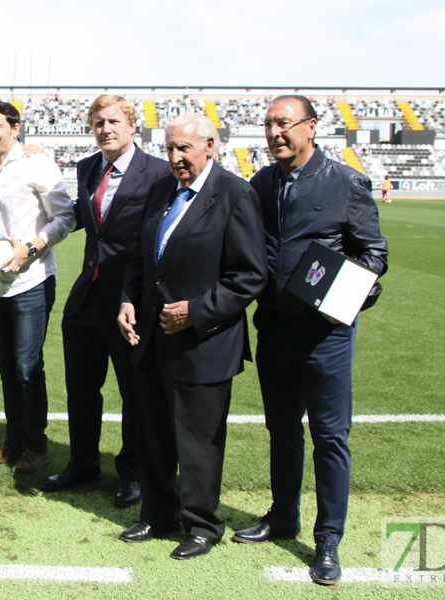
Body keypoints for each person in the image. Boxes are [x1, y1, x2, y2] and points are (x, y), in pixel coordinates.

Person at [232, 95, 388, 585]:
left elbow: (375, 254)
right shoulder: (262, 182)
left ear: (311, 127)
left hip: (326, 335)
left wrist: (354, 287)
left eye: (284, 123)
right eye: (269, 125)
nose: (276, 132)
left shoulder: (346, 182)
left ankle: (328, 540)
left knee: (329, 437)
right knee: (281, 430)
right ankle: (283, 516)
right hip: (274, 328)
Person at [115, 114, 267, 560]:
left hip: (204, 343)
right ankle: (158, 513)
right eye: (170, 149)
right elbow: (142, 258)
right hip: (151, 339)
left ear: (210, 146)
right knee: (154, 434)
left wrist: (196, 312)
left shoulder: (236, 194)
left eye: (184, 149)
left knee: (198, 442)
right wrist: (127, 300)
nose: (176, 158)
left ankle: (202, 524)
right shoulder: (161, 190)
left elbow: (249, 276)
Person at [40, 95, 170, 507]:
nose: (106, 129)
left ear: (133, 125)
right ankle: (83, 462)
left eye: (114, 121)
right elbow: (82, 217)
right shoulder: (87, 167)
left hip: (130, 300)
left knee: (133, 390)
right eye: (98, 123)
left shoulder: (159, 173)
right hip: (87, 294)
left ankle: (131, 471)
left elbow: (159, 241)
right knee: (80, 386)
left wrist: (135, 296)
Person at [0, 101, 74, 477]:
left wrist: (31, 247)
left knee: (28, 368)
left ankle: (37, 448)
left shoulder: (38, 164)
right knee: (6, 369)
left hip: (31, 281)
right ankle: (14, 442)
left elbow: (66, 217)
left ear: (16, 129)